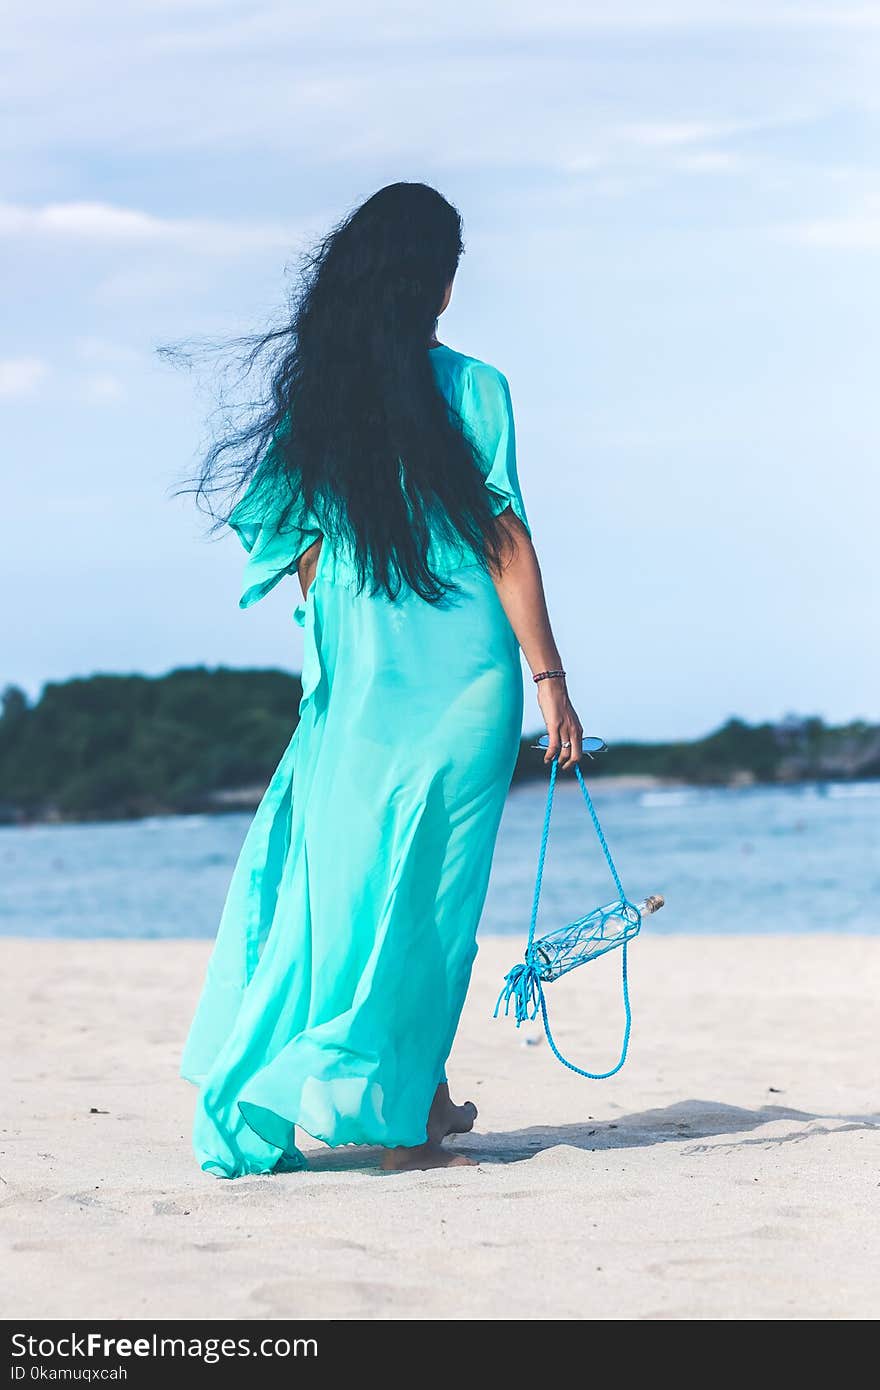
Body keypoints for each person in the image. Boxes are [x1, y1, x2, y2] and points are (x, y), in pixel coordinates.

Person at [181, 182, 583, 1176]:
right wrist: (551, 680)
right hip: (471, 684)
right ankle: (406, 1118)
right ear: (439, 288)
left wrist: (342, 633)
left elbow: (285, 537)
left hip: (362, 688)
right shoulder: (478, 388)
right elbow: (506, 538)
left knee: (355, 888)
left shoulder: (322, 408)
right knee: (433, 904)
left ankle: (421, 1100)